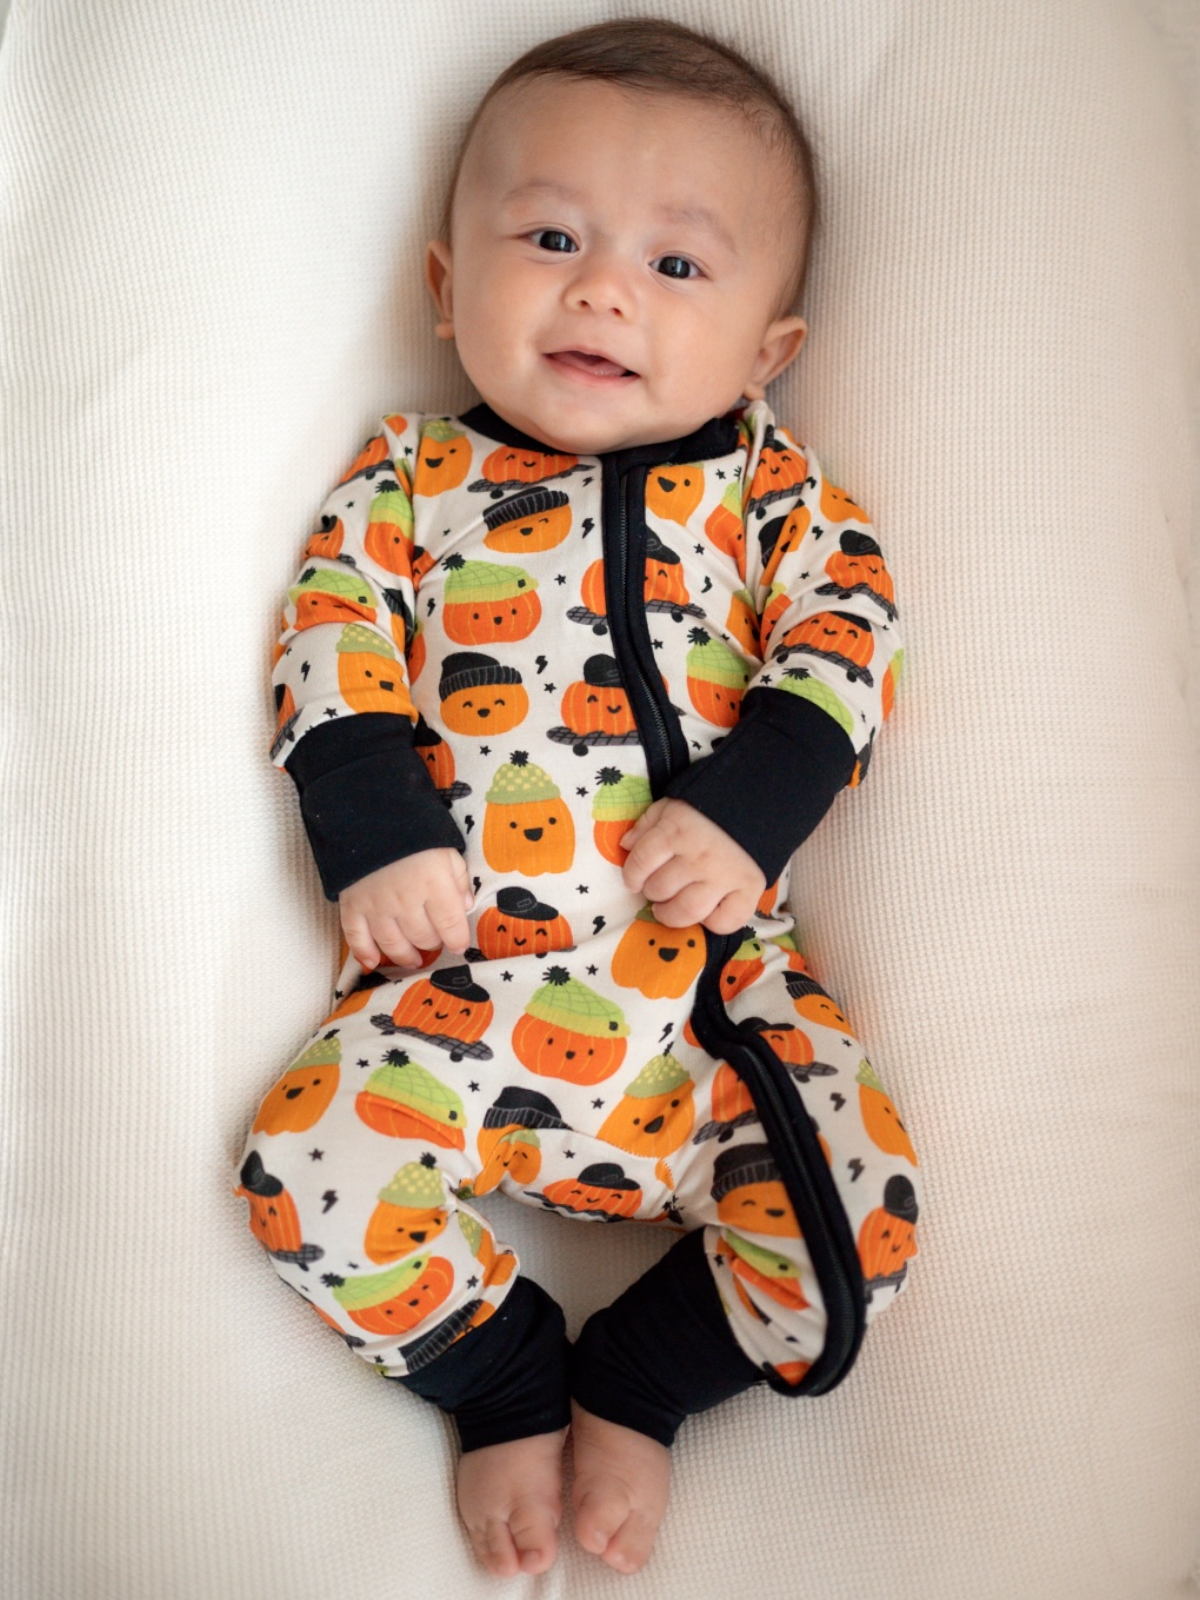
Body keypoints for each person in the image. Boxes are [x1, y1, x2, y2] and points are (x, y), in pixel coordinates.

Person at [236, 16, 920, 1580]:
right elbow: (331, 633)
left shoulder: (769, 491)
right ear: (444, 286)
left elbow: (850, 627)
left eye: (679, 266)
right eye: (549, 238)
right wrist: (377, 826)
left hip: (714, 1005)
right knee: (299, 1163)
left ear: (767, 354)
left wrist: (759, 803)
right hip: (459, 991)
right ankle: (501, 1365)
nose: (603, 286)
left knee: (863, 1223)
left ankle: (639, 1377)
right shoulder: (408, 480)